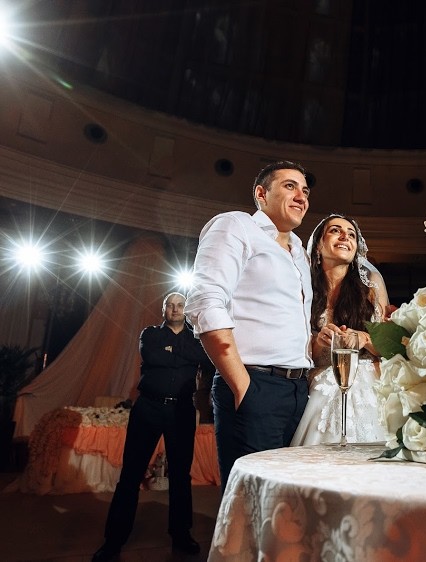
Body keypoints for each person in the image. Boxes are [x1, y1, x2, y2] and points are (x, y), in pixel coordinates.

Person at [185, 161, 315, 492]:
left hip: (299, 392)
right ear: (261, 193)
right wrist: (243, 387)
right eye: (289, 186)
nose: (301, 196)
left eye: (304, 190)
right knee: (253, 501)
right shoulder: (236, 225)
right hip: (255, 384)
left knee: (285, 501)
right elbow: (205, 302)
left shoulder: (300, 252)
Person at [92, 292, 213, 562]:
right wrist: (183, 356)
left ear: (186, 310)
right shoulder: (150, 334)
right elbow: (152, 356)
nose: (175, 309)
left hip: (181, 410)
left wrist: (173, 351)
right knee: (131, 474)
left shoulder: (197, 339)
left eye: (180, 305)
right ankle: (113, 540)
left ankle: (181, 535)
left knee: (180, 475)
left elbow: (205, 358)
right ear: (163, 309)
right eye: (170, 305)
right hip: (148, 408)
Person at [291, 214, 390, 445]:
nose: (345, 236)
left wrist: (364, 338)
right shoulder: (302, 288)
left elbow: (387, 348)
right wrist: (319, 342)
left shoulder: (371, 287)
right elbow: (295, 349)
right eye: (335, 230)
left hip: (367, 386)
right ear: (318, 245)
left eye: (351, 234)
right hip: (319, 387)